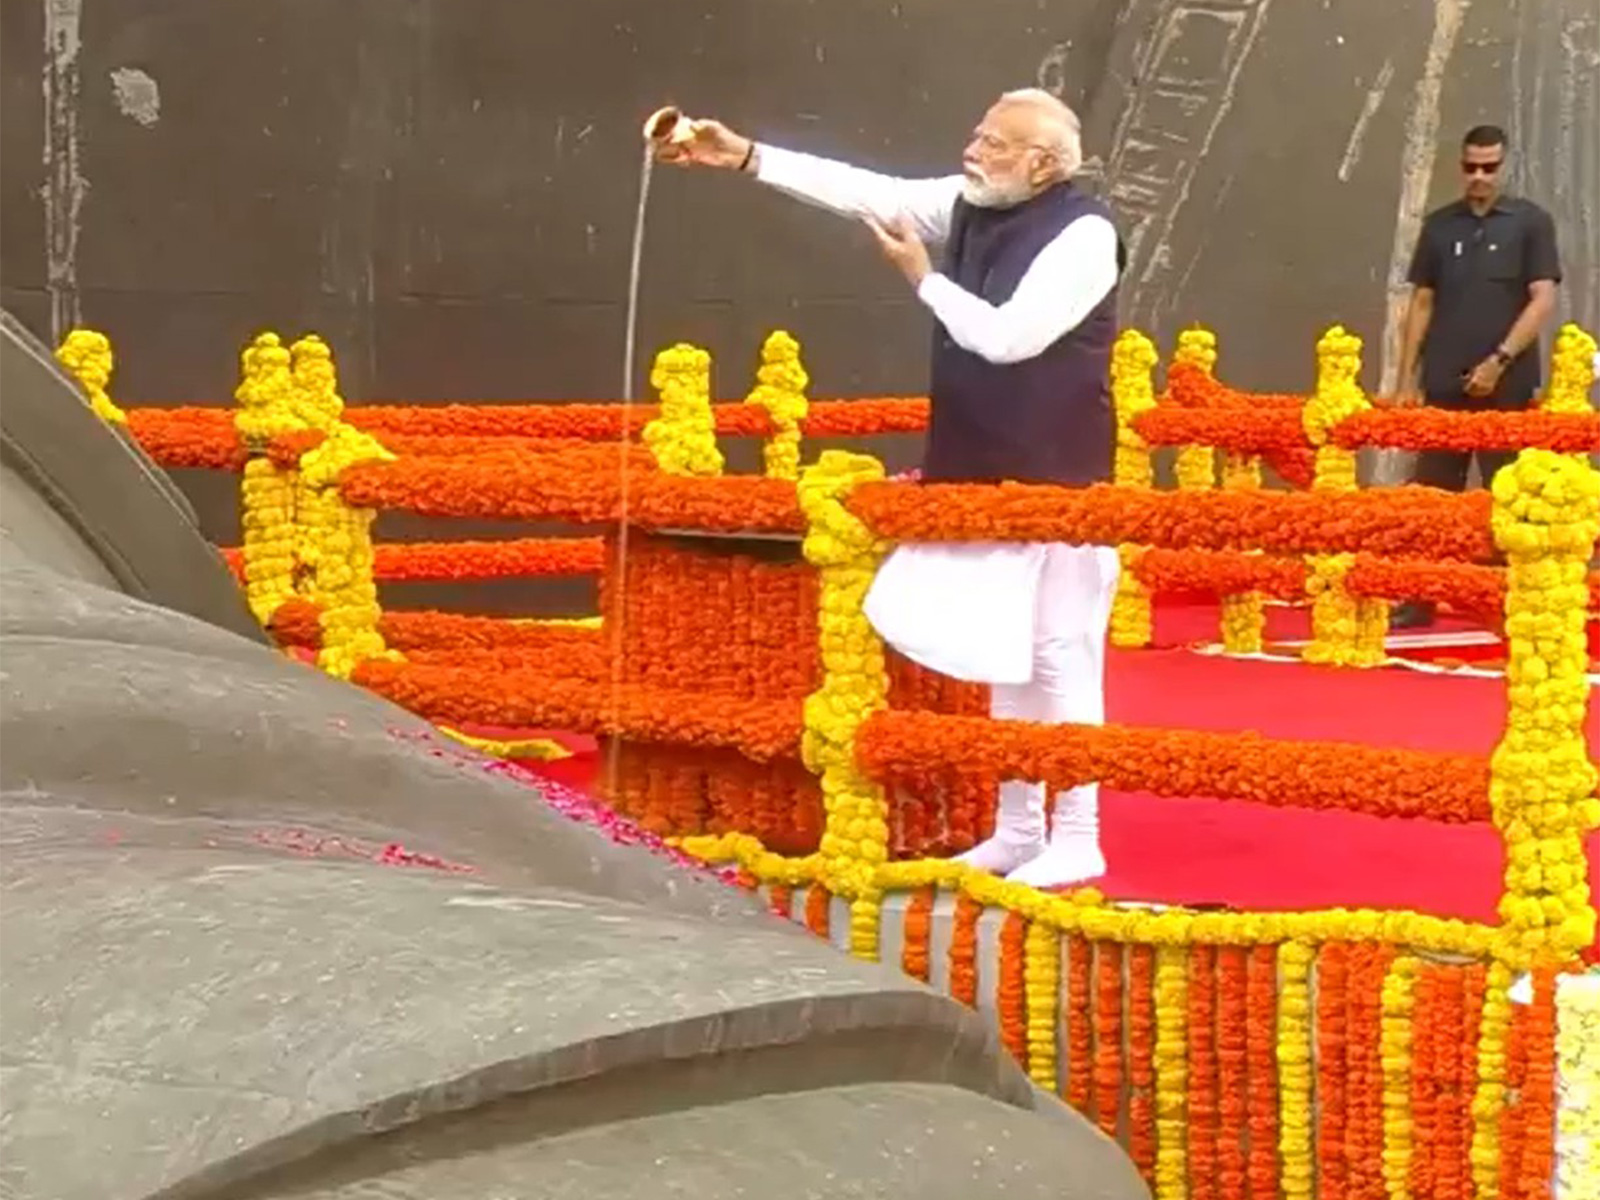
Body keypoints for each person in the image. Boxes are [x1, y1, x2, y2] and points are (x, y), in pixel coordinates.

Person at [656, 89, 1124, 888]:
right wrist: (745, 157)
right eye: (977, 134)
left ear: (1042, 164)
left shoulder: (1084, 234)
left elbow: (1009, 338)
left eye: (995, 143)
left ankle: (1079, 833)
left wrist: (922, 279)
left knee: (1060, 655)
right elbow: (865, 189)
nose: (973, 150)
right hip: (980, 467)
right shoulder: (972, 202)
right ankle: (1017, 828)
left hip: (1058, 477)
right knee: (1005, 658)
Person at [1390, 124, 1561, 628]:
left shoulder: (1531, 223)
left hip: (1505, 384)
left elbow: (1543, 298)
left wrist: (1500, 360)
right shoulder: (1441, 226)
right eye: (1471, 167)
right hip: (1444, 380)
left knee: (1507, 496)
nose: (1479, 176)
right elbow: (1421, 301)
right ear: (1460, 166)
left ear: (1505, 166)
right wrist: (1404, 378)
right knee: (1433, 496)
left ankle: (1514, 601)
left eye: (1490, 167)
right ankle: (1421, 596)